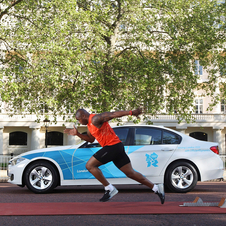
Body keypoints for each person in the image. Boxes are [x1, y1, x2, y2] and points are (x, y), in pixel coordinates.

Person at [64, 108, 165, 204]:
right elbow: (90, 139)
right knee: (131, 173)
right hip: (116, 147)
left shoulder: (95, 119)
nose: (79, 122)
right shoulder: (89, 126)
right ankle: (156, 188)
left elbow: (113, 114)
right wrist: (77, 134)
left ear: (83, 115)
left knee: (90, 166)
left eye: (79, 119)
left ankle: (109, 188)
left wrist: (131, 112)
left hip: (112, 146)